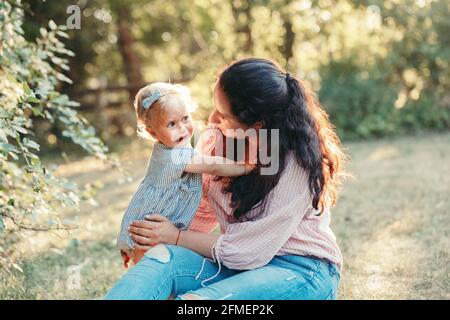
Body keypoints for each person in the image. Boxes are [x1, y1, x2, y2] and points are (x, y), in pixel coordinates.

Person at [105, 58, 346, 300]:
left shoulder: (296, 163)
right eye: (214, 107)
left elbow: (249, 250)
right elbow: (199, 208)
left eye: (223, 114)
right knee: (160, 261)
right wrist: (151, 241)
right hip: (234, 266)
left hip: (298, 269)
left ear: (257, 126)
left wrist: (176, 237)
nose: (212, 120)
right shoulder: (219, 139)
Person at [117, 82, 254, 267]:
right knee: (155, 268)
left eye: (185, 118)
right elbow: (212, 165)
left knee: (154, 265)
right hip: (152, 225)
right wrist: (245, 168)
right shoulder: (176, 156)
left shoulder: (169, 147)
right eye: (171, 124)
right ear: (152, 132)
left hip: (150, 219)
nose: (182, 128)